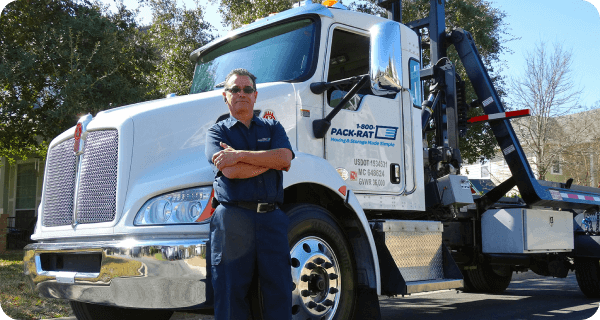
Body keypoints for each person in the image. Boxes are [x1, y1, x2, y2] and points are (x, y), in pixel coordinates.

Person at [205, 68, 294, 320]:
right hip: (232, 219)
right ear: (225, 96)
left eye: (247, 89)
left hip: (272, 219)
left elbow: (285, 158)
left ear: (255, 96)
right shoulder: (217, 132)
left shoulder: (272, 126)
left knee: (279, 291)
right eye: (235, 89)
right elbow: (230, 172)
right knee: (230, 292)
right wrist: (270, 160)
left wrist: (239, 155)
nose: (241, 93)